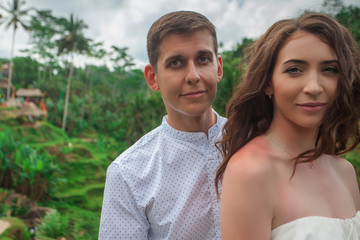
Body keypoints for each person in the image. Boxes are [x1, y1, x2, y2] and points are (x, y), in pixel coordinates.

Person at [215, 12, 360, 240]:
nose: (314, 87)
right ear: (267, 84)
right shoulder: (250, 172)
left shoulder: (345, 172)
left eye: (329, 69)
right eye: (294, 70)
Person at [99, 10, 225, 239]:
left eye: (203, 59)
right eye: (176, 63)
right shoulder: (128, 174)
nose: (193, 75)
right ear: (153, 78)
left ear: (218, 68)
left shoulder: (253, 141)